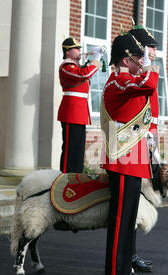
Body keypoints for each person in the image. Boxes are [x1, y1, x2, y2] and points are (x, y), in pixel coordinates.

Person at [100, 33, 159, 275]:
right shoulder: (118, 81)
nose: (141, 61)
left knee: (128, 217)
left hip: (132, 157)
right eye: (137, 57)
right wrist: (148, 65)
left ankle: (123, 266)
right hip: (123, 158)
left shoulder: (126, 80)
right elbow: (148, 85)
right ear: (125, 60)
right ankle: (116, 270)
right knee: (121, 218)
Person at [128, 24, 160, 273]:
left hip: (147, 139)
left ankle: (130, 253)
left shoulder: (146, 72)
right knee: (130, 203)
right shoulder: (137, 74)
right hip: (134, 143)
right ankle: (126, 255)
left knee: (136, 202)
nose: (154, 51)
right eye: (150, 47)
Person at [58, 37, 103, 173]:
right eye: (76, 49)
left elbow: (85, 72)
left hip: (79, 112)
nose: (79, 51)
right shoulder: (66, 67)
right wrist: (96, 59)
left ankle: (76, 175)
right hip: (71, 111)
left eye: (79, 49)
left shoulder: (76, 67)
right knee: (70, 149)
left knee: (78, 149)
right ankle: (65, 177)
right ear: (68, 52)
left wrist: (93, 59)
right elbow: (85, 74)